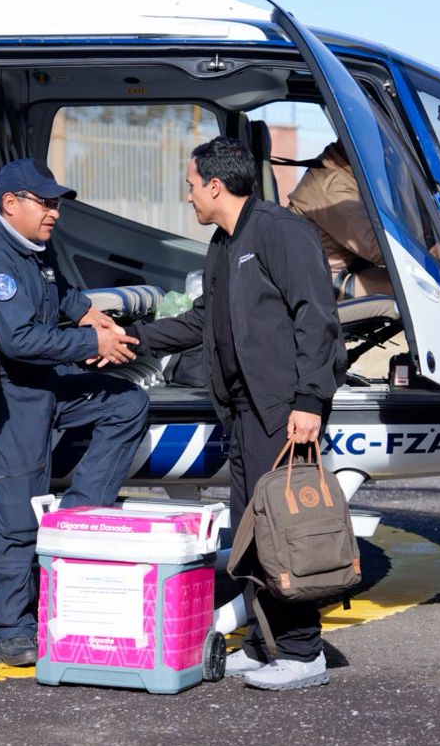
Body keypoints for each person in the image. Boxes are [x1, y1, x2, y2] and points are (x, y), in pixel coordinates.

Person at [130, 136, 343, 691]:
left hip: (283, 410)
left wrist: (310, 401)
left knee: (284, 530)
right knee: (251, 528)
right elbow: (204, 320)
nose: (189, 196)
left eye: (191, 186)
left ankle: (303, 651)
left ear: (215, 185)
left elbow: (317, 318)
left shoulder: (279, 231)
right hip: (244, 410)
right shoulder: (224, 244)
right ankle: (264, 643)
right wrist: (133, 340)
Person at [0, 158, 150, 667]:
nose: (55, 213)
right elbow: (20, 341)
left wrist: (88, 313)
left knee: (128, 403)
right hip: (10, 398)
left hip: (46, 383)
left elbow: (58, 290)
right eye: (45, 203)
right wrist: (92, 342)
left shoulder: (35, 249)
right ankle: (14, 629)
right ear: (10, 204)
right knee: (18, 519)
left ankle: (75, 522)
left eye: (56, 203)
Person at [287, 141, 393, 299]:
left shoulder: (343, 169)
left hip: (343, 270)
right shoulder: (333, 188)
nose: (388, 149)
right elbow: (382, 250)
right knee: (413, 290)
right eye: (380, 141)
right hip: (320, 286)